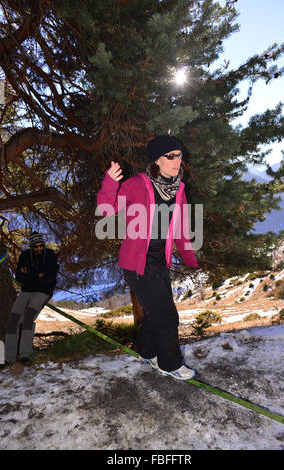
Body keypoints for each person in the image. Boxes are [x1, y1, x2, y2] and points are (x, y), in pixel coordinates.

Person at [97, 135, 198, 381]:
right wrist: (110, 182)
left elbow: (182, 228)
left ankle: (146, 351)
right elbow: (106, 209)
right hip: (137, 263)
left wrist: (190, 258)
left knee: (155, 312)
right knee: (167, 315)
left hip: (159, 261)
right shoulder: (137, 184)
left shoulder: (179, 190)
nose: (177, 161)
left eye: (179, 155)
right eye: (171, 156)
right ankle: (170, 364)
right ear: (157, 160)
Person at [4, 232, 59, 364]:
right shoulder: (25, 256)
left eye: (41, 245)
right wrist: (38, 275)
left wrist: (30, 275)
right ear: (31, 246)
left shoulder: (50, 255)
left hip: (43, 292)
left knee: (28, 317)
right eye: (35, 246)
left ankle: (25, 355)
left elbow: (50, 278)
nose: (39, 248)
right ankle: (9, 358)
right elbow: (19, 276)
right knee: (13, 321)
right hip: (26, 291)